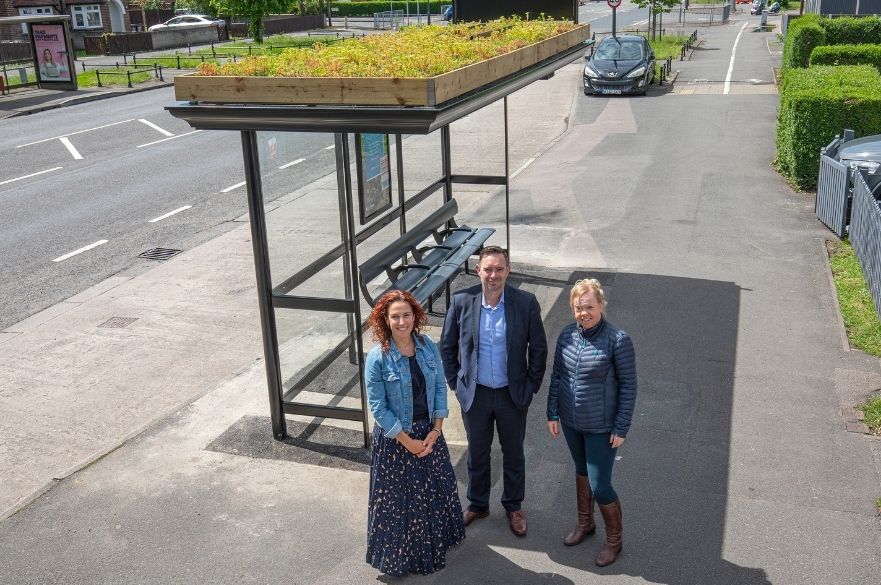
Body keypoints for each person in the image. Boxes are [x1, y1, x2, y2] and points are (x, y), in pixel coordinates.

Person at [440, 246, 548, 537]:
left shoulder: (525, 303)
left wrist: (531, 386)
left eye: (499, 269)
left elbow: (538, 349)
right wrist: (456, 383)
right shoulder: (463, 300)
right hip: (475, 395)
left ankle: (513, 506)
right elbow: (447, 347)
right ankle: (478, 504)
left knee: (513, 453)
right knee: (477, 453)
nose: (493, 275)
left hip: (512, 394)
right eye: (488, 269)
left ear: (508, 271)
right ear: (478, 270)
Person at [364, 290, 465, 577]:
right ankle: (401, 560)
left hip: (429, 434)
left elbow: (438, 389)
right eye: (394, 316)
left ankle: (432, 547)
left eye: (406, 314)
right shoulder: (377, 358)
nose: (401, 321)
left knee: (431, 496)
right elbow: (378, 408)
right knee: (400, 505)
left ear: (415, 316)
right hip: (397, 439)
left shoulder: (427, 346)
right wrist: (408, 442)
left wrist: (436, 430)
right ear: (385, 319)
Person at [546, 278, 636, 566]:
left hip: (601, 427)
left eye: (589, 307)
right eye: (578, 308)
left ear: (600, 306)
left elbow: (629, 386)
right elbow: (557, 375)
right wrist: (552, 412)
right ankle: (585, 524)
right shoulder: (567, 336)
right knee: (582, 471)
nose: (583, 313)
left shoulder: (618, 340)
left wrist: (621, 427)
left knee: (601, 485)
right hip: (572, 423)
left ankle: (614, 541)